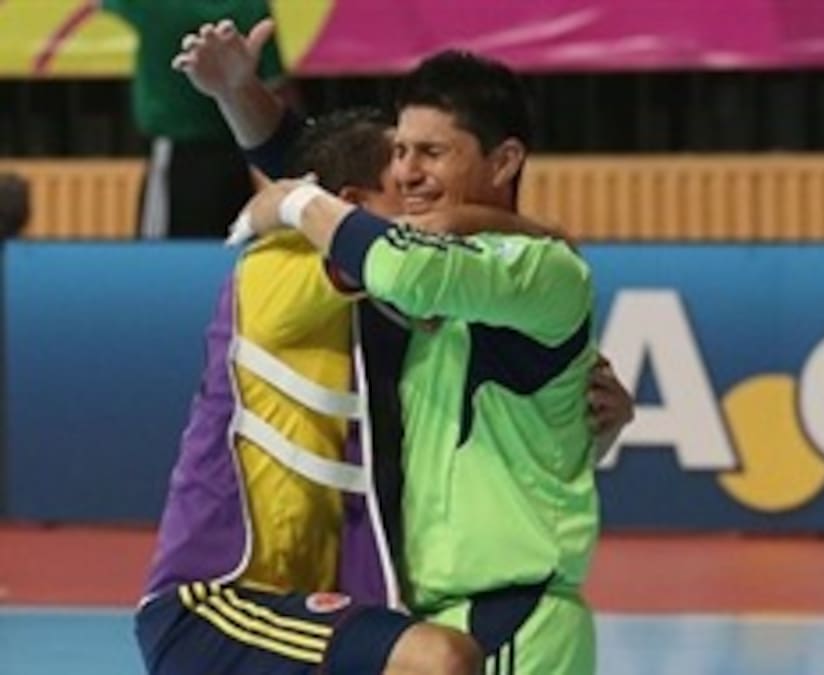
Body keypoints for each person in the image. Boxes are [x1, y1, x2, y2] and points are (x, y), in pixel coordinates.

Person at [175, 23, 615, 673]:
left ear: (503, 161)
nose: (408, 171)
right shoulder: (412, 282)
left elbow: (393, 256)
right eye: (402, 151)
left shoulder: (535, 268)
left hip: (512, 622)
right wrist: (240, 94)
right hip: (436, 620)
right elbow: (339, 168)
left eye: (432, 153)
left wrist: (296, 201)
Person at [99, 0, 286, 238]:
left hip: (179, 154)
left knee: (161, 257)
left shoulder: (155, 5)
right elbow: (278, 85)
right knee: (233, 249)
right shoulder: (251, 5)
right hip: (237, 150)